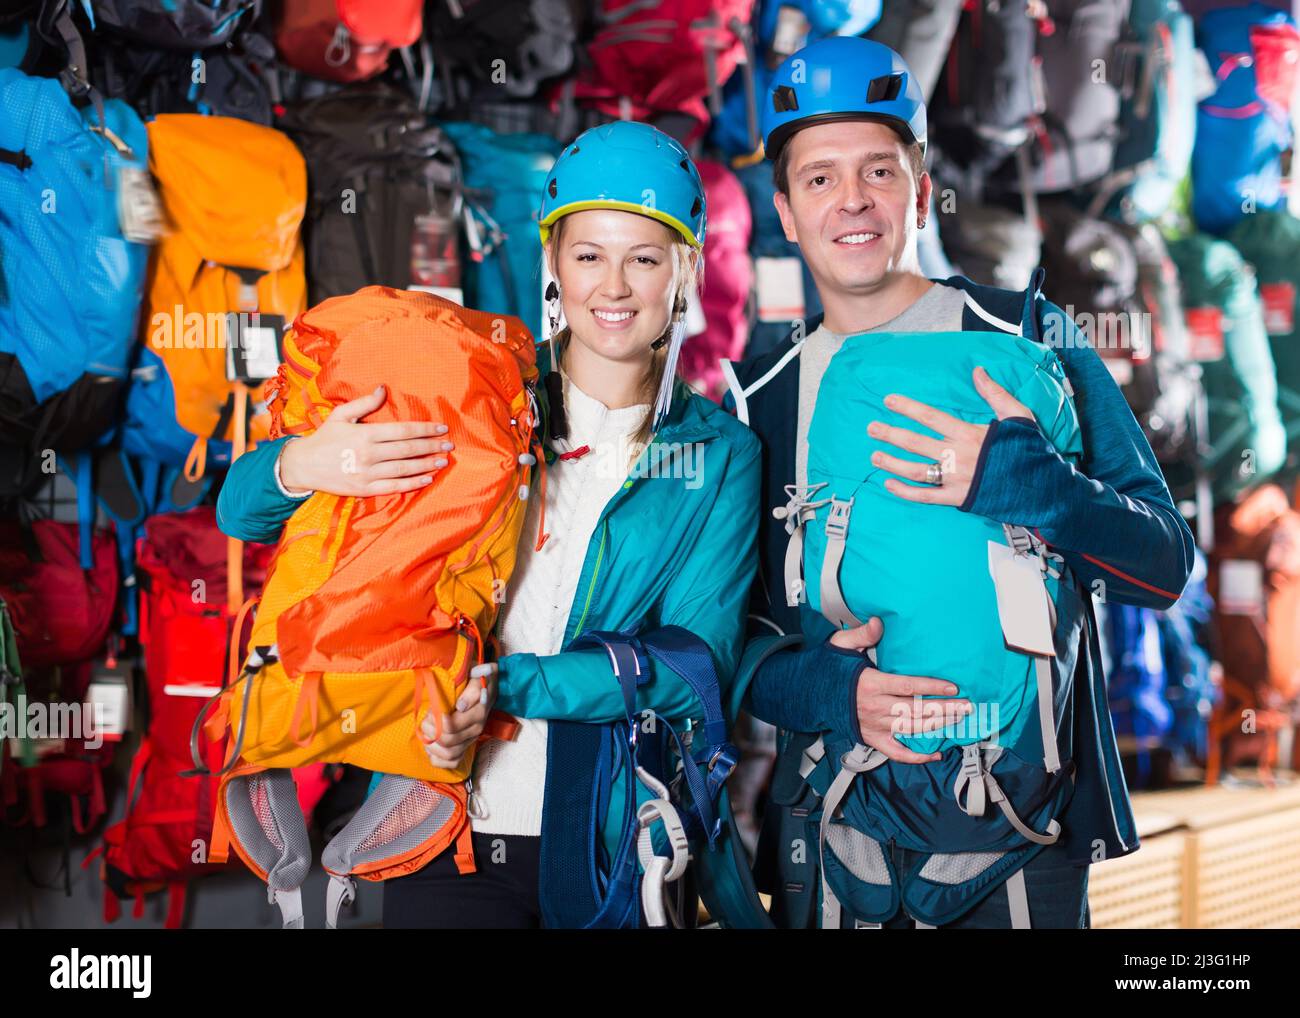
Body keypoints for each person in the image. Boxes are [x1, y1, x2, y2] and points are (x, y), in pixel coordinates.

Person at [215, 121, 761, 929]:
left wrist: (499, 689)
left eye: (644, 257)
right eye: (588, 255)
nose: (613, 286)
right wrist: (308, 463)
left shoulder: (719, 455)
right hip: (440, 822)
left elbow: (693, 668)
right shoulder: (469, 387)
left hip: (612, 838)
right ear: (552, 265)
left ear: (685, 272)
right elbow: (242, 511)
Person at [722, 36, 1196, 929]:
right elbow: (732, 645)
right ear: (783, 210)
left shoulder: (1026, 337)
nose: (852, 201)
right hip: (831, 837)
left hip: (1023, 835)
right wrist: (829, 693)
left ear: (923, 187)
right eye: (819, 179)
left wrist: (1032, 485)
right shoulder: (760, 396)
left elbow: (1164, 565)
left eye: (879, 171)